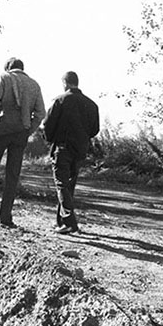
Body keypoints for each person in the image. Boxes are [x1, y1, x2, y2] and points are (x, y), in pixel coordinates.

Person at [0, 57, 46, 228]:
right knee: (13, 173)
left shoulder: (3, 77)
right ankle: (6, 217)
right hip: (21, 133)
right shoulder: (34, 85)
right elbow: (40, 113)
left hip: (1, 129)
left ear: (8, 67)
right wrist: (29, 130)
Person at [43, 71, 100, 235]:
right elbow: (94, 129)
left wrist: (51, 139)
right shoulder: (91, 104)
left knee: (61, 184)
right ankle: (62, 221)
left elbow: (48, 125)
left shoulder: (60, 101)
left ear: (65, 83)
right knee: (69, 185)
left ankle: (69, 222)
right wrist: (82, 138)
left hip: (63, 147)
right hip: (80, 149)